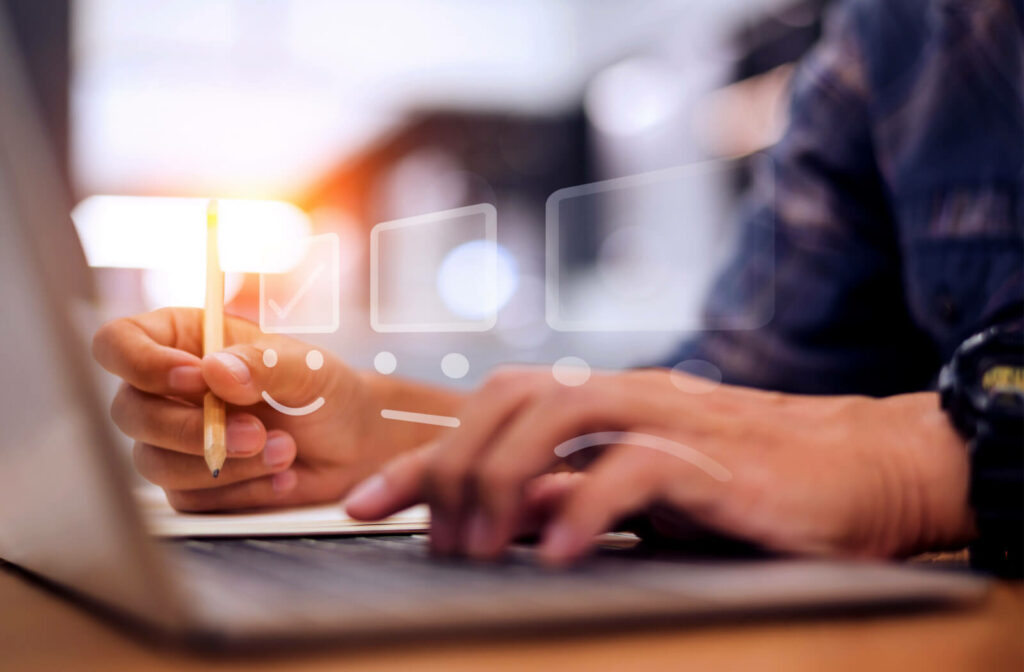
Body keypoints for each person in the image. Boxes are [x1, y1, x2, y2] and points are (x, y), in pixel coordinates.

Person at [92, 0, 1023, 570]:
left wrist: (921, 463)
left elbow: (835, 451)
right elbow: (720, 411)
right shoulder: (898, 39)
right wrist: (382, 429)